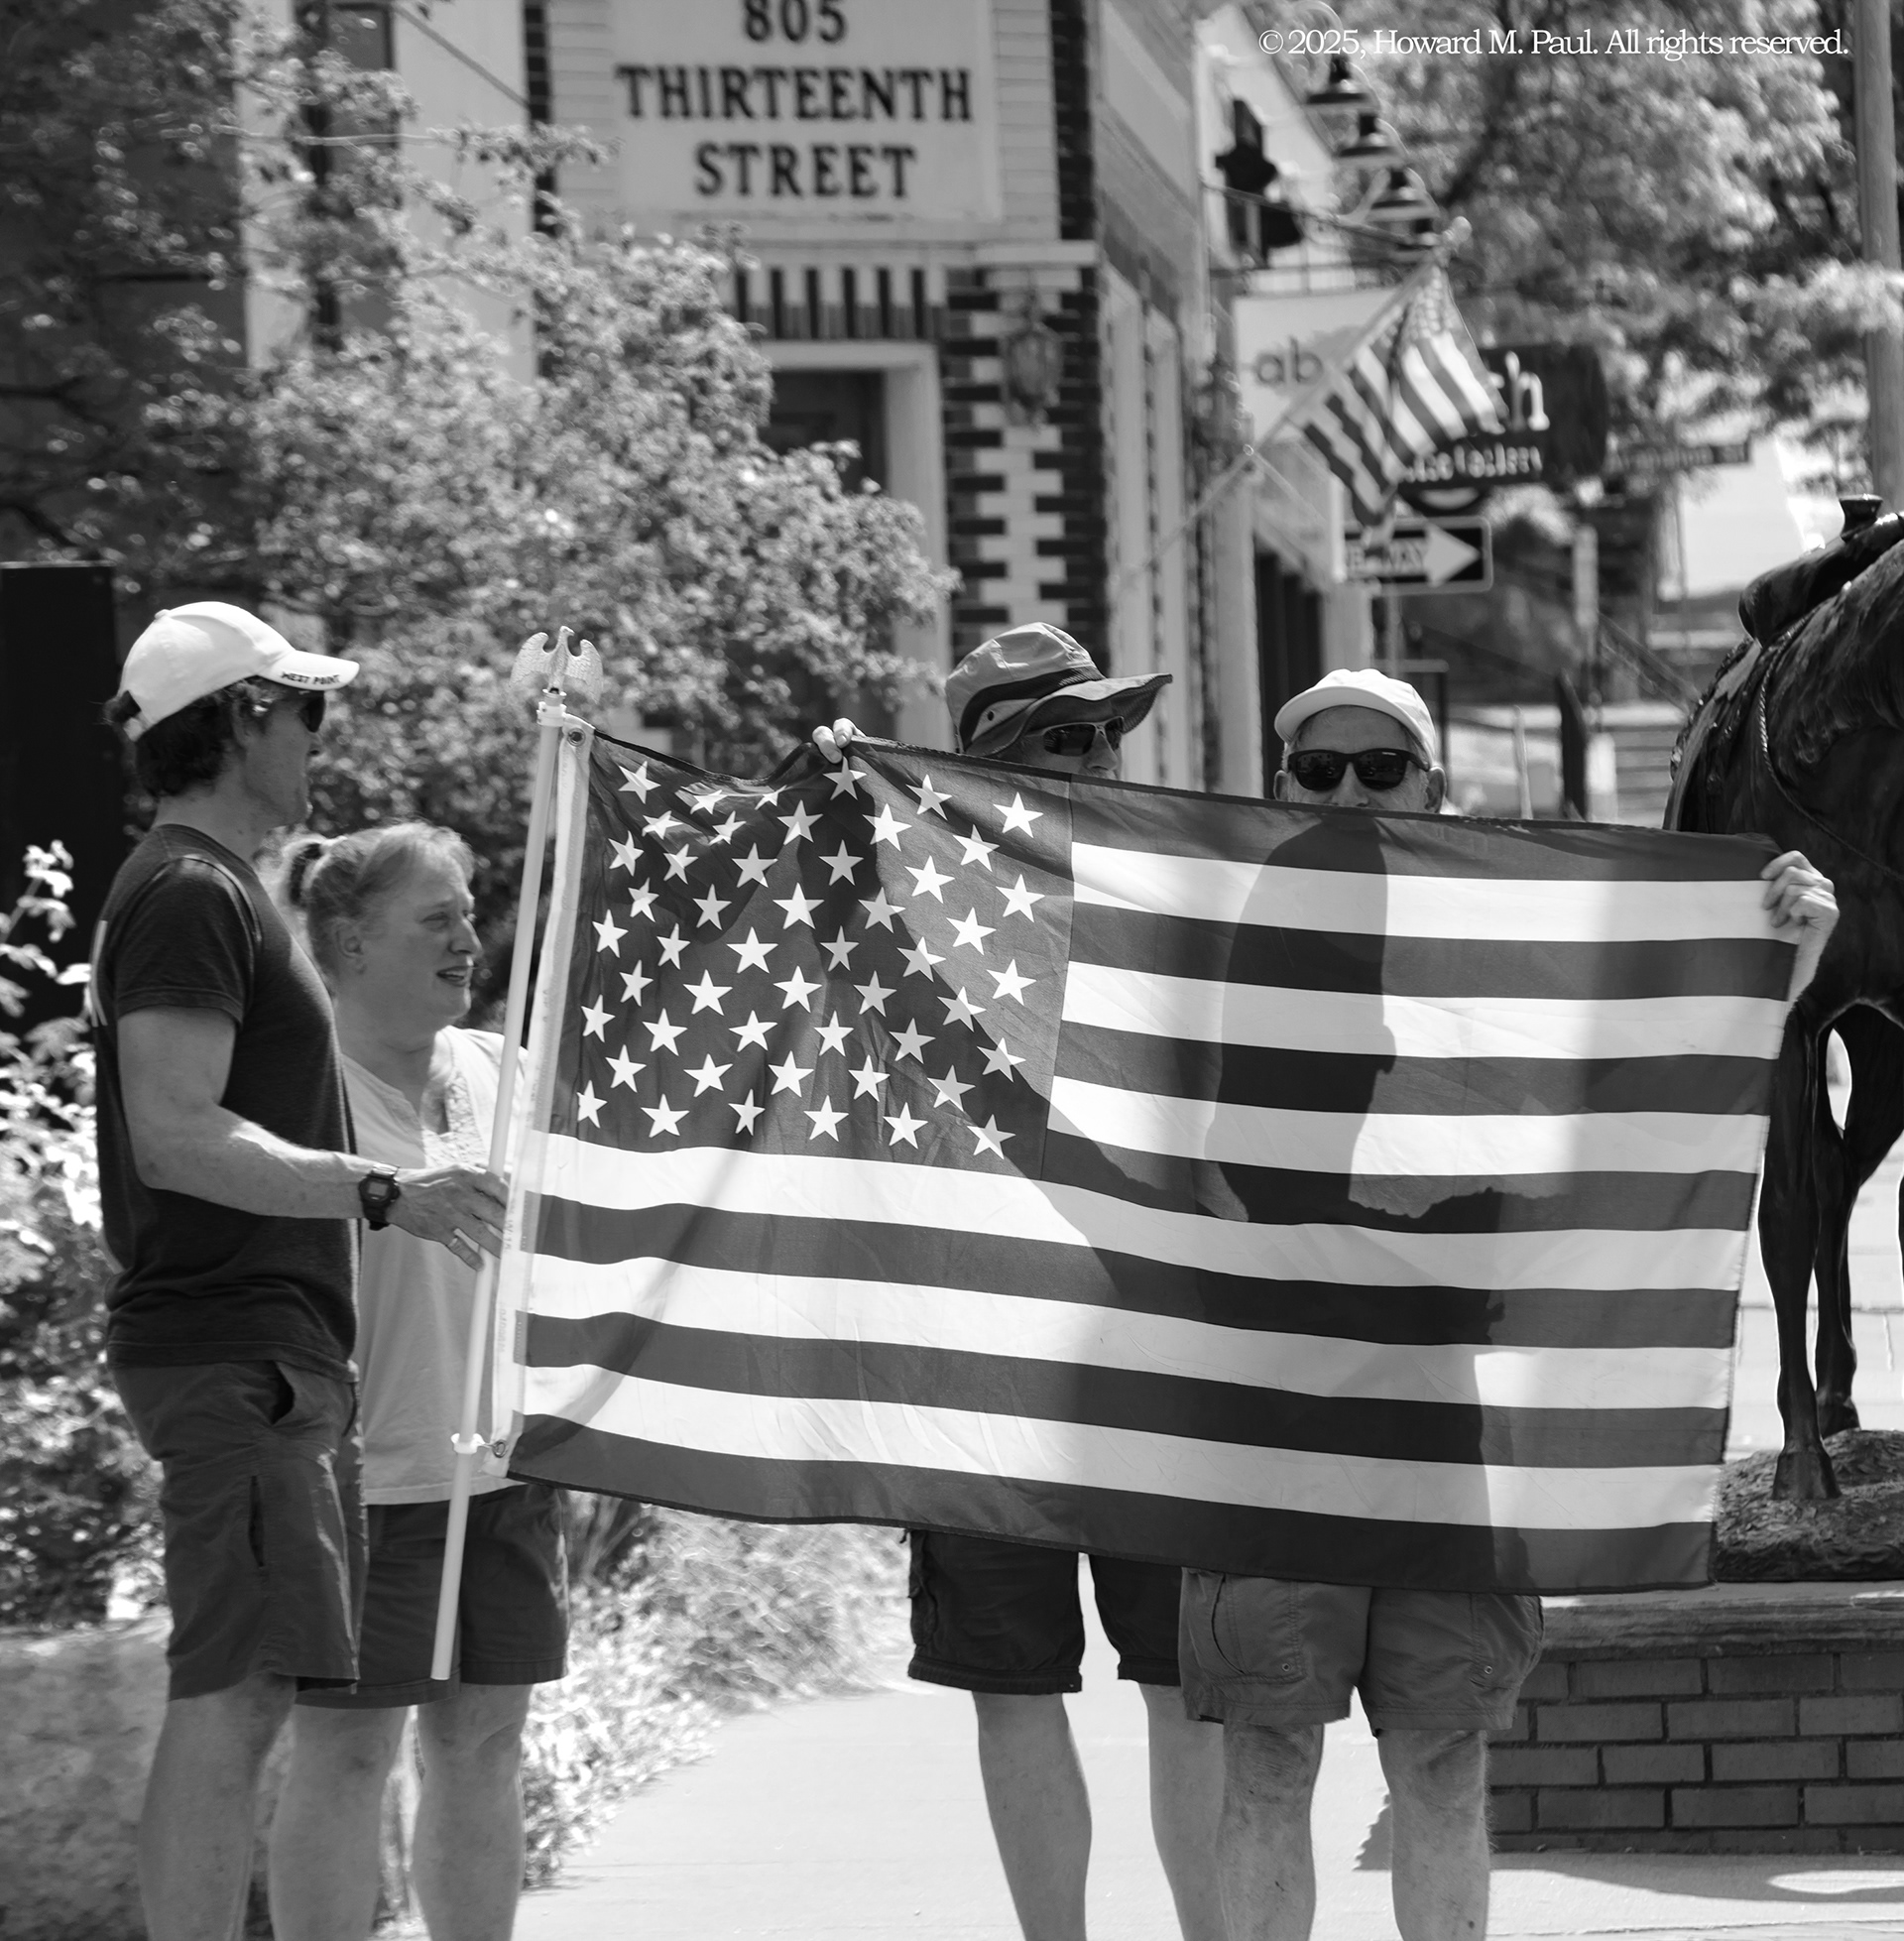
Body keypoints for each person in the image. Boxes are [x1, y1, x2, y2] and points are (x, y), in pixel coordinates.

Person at [1183, 665, 1842, 1941]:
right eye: (1320, 770)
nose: (1351, 791)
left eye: (1383, 768)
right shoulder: (1212, 921)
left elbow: (1650, 1076)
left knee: (1441, 1768)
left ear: (1435, 785)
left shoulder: (1509, 941)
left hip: (1450, 1427)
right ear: (1280, 784)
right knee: (1270, 1766)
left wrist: (1786, 958)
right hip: (1270, 1432)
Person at [92, 602, 508, 1941]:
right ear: (248, 717)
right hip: (233, 1347)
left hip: (266, 1352)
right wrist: (379, 1187)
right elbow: (174, 1130)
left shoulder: (208, 888)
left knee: (254, 1693)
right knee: (233, 1694)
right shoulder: (188, 889)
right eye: (307, 709)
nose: (321, 737)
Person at [817, 623, 1227, 1941]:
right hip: (976, 1349)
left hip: (1154, 1343)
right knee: (1014, 1680)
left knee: (1190, 1680)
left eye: (1111, 729)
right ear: (986, 760)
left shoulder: (1176, 895)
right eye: (1066, 735)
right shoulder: (894, 899)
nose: (1102, 754)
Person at [266, 822, 568, 1941]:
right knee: (349, 1753)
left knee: (484, 1746)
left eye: (471, 914)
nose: (467, 940)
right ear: (348, 942)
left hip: (504, 1471)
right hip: (366, 1486)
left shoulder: (506, 1069)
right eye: (435, 919)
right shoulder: (297, 1098)